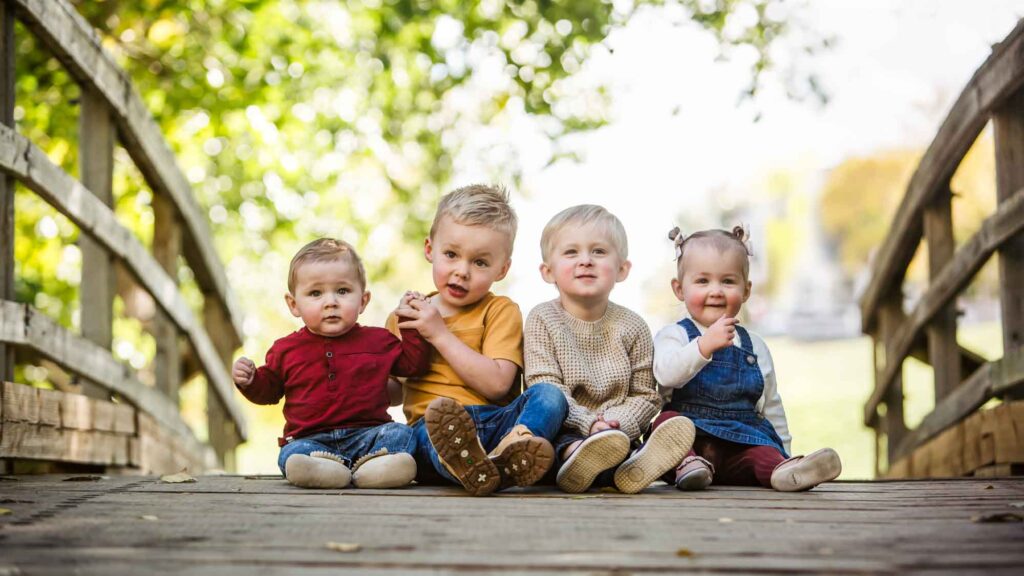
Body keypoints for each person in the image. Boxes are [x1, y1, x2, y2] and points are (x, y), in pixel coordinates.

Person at [388, 184, 568, 496]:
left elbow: (498, 384)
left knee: (551, 396)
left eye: (480, 262)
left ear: (502, 269)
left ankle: (512, 449)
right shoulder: (406, 317)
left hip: (495, 423)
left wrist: (440, 335)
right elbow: (390, 394)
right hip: (432, 429)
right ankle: (478, 467)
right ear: (430, 249)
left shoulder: (500, 311)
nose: (462, 271)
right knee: (423, 439)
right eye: (451, 254)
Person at [653, 226, 842, 492]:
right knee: (666, 422)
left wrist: (783, 450)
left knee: (761, 452)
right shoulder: (675, 335)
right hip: (690, 440)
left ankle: (785, 471)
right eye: (703, 281)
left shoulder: (755, 346)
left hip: (740, 444)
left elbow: (772, 405)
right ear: (679, 289)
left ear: (746, 290)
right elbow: (665, 376)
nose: (716, 291)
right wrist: (704, 346)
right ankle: (690, 466)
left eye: (728, 281)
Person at [232, 238, 430, 489]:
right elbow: (269, 391)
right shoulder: (286, 349)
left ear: (363, 301)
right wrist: (250, 381)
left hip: (369, 435)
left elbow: (414, 366)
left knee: (402, 434)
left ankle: (374, 468)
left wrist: (410, 326)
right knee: (293, 453)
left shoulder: (379, 341)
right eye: (316, 293)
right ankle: (325, 471)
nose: (331, 302)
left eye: (343, 291)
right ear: (294, 304)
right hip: (312, 440)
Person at [525, 205, 695, 494]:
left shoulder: (633, 326)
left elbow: (644, 395)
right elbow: (544, 383)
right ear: (548, 271)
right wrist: (590, 426)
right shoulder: (542, 318)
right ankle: (584, 460)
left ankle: (631, 464)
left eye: (599, 252)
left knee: (623, 447)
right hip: (566, 429)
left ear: (622, 269)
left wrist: (617, 427)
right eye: (571, 252)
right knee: (558, 443)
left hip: (617, 433)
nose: (586, 261)